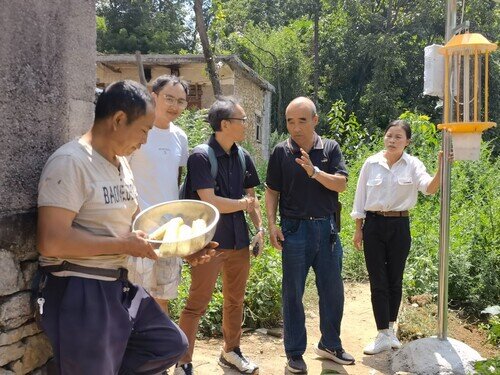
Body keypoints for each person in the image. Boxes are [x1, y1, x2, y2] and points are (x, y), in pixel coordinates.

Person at [35, 80, 216, 375]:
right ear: (119, 120)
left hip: (118, 283)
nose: (145, 141)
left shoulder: (121, 165)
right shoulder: (71, 163)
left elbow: (137, 228)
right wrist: (123, 245)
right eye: (144, 130)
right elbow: (51, 241)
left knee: (169, 343)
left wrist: (183, 249)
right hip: (80, 286)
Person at [174, 97, 264, 375]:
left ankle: (231, 352)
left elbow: (252, 196)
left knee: (235, 300)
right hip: (209, 244)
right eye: (243, 120)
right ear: (225, 124)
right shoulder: (201, 156)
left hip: (238, 241)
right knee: (196, 305)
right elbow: (209, 201)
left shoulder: (243, 155)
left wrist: (259, 228)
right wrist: (241, 204)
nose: (247, 125)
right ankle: (183, 361)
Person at [265, 97, 354, 374]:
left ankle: (330, 344)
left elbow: (341, 184)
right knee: (293, 293)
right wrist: (271, 225)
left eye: (302, 120)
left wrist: (314, 172)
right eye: (290, 121)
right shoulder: (281, 151)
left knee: (332, 291)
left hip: (326, 230)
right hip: (294, 229)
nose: (295, 127)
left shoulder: (330, 148)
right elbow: (272, 191)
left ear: (315, 120)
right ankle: (294, 352)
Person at [350, 119, 442, 355]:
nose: (392, 140)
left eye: (398, 137)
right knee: (377, 278)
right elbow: (360, 198)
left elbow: (429, 188)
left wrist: (442, 167)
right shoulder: (371, 163)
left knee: (395, 278)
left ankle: (390, 329)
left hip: (400, 225)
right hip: (373, 224)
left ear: (407, 142)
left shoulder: (412, 164)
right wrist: (358, 228)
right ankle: (382, 333)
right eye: (389, 135)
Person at [128, 75, 189, 314]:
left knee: (163, 298)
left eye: (181, 101)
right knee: (135, 298)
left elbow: (176, 178)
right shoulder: (137, 130)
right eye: (169, 98)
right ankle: (133, 351)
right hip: (139, 229)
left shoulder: (180, 137)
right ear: (154, 96)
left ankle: (160, 351)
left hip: (169, 231)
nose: (174, 106)